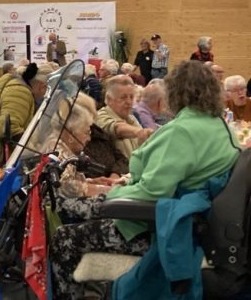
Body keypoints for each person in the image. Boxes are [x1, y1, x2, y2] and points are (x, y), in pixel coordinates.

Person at [51, 61, 241, 300]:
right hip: (196, 222)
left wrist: (110, 196)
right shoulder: (220, 126)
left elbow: (152, 192)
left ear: (175, 93)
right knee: (80, 208)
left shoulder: (182, 131)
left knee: (63, 236)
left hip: (162, 225)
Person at [95, 75, 153, 160]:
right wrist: (138, 132)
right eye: (123, 97)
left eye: (131, 97)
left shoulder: (132, 118)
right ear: (109, 99)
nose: (129, 102)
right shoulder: (100, 116)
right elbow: (116, 128)